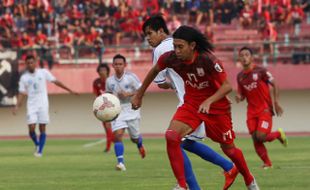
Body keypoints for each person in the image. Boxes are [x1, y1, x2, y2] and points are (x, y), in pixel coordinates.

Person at [132, 26, 259, 190]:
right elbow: (155, 70)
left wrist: (209, 101)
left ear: (192, 45)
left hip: (217, 108)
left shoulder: (208, 60)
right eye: (175, 46)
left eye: (180, 47)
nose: (176, 51)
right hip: (192, 104)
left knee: (229, 149)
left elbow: (227, 87)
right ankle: (182, 185)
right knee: (171, 136)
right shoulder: (171, 58)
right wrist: (139, 94)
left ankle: (249, 180)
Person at [12, 54, 78, 157]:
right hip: (31, 105)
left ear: (36, 62)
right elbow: (21, 93)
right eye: (28, 63)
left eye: (32, 62)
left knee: (42, 127)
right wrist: (17, 106)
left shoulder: (43, 72)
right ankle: (37, 144)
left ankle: (40, 151)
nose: (30, 64)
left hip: (43, 104)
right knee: (31, 128)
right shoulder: (24, 78)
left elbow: (56, 82)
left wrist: (70, 90)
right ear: (26, 64)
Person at [236, 47, 288, 169]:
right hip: (251, 112)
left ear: (252, 57)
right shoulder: (240, 77)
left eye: (247, 55)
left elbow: (275, 84)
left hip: (264, 109)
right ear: (239, 58)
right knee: (255, 138)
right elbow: (242, 95)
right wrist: (239, 97)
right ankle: (267, 163)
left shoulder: (261, 71)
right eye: (242, 55)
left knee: (261, 136)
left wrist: (275, 102)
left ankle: (278, 134)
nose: (244, 57)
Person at [105, 54, 146, 171]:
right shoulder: (109, 81)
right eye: (116, 64)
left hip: (131, 108)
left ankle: (139, 144)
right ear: (112, 66)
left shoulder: (131, 77)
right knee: (117, 136)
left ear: (125, 65)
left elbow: (141, 90)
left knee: (135, 138)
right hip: (117, 110)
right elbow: (107, 95)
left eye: (120, 64)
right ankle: (120, 163)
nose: (118, 67)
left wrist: (128, 94)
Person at [93, 63, 113, 152]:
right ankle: (112, 142)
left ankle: (108, 147)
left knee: (109, 126)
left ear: (108, 71)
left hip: (112, 106)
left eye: (104, 70)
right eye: (100, 70)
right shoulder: (96, 82)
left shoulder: (111, 81)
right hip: (102, 107)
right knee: (106, 127)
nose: (102, 72)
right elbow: (96, 96)